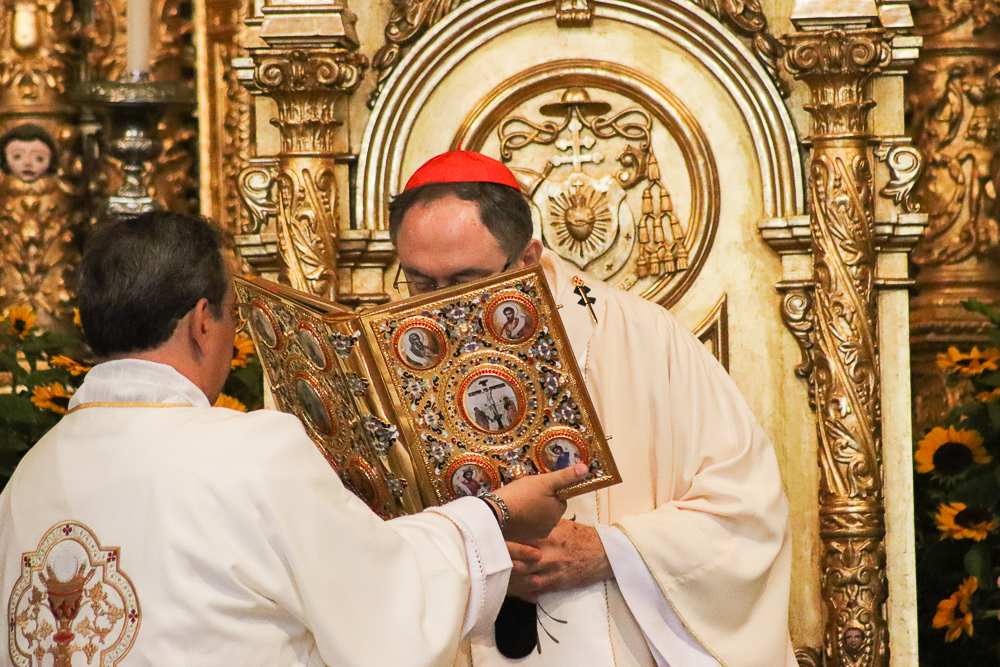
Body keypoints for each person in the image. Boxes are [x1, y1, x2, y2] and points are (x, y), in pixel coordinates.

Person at [0, 211, 587, 667]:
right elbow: (385, 605)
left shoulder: (29, 477)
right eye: (233, 315)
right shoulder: (249, 452)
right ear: (203, 321)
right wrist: (496, 513)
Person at [388, 151, 796, 667]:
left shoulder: (644, 338)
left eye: (465, 282)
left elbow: (747, 512)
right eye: (421, 284)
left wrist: (611, 552)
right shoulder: (388, 361)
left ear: (528, 260)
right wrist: (458, 553)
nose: (440, 306)